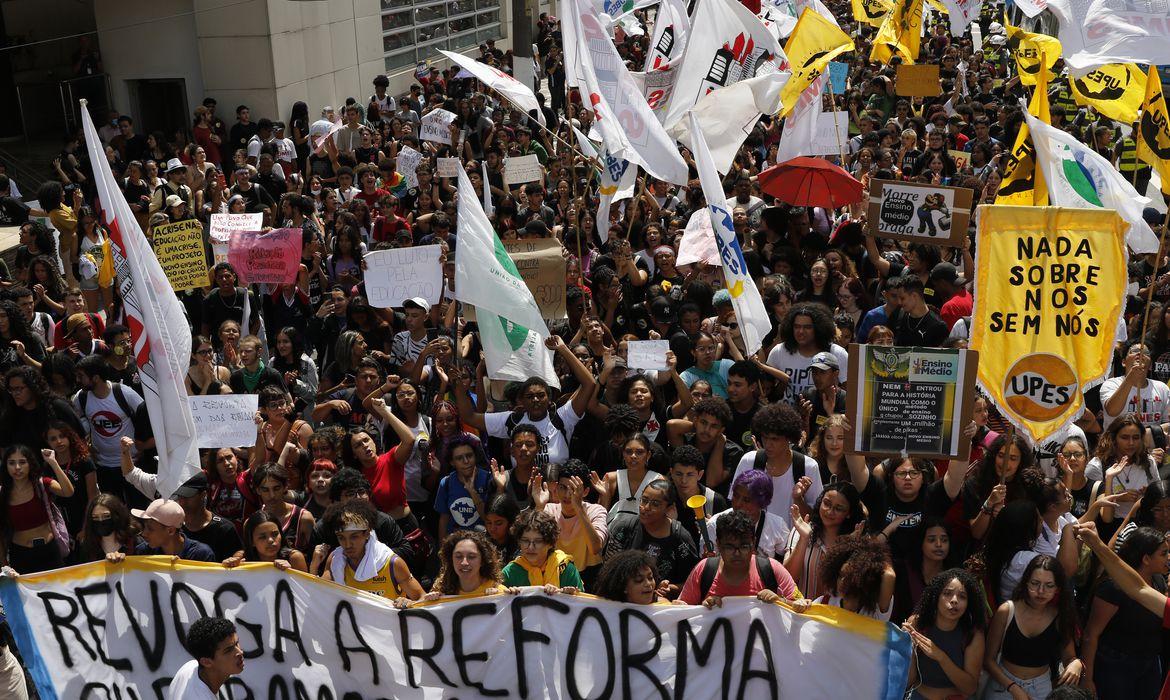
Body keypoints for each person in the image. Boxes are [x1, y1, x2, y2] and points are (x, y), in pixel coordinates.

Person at [1082, 526, 1169, 698]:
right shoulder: (1113, 588)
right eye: (1164, 553)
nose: (1168, 558)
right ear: (1145, 558)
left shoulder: (1159, 582)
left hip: (1149, 664)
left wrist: (1098, 544)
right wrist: (1087, 678)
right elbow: (1090, 635)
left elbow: (1138, 589)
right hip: (1115, 667)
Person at [983, 555, 1083, 700]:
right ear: (1026, 583)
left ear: (1057, 589)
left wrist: (1077, 663)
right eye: (1035, 583)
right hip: (1002, 684)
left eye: (1049, 585)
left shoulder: (1060, 617)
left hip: (1040, 688)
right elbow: (988, 660)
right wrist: (1013, 688)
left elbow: (1069, 656)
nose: (1041, 591)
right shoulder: (1006, 611)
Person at [677, 509, 801, 607]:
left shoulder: (772, 569)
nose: (737, 553)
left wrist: (780, 601)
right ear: (718, 545)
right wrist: (703, 608)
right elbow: (682, 612)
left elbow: (801, 608)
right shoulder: (704, 570)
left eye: (744, 546)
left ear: (753, 543)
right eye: (730, 547)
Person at [601, 477, 699, 599]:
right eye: (644, 500)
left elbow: (693, 581)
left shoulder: (681, 539)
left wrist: (670, 588)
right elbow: (609, 573)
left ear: (669, 509)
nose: (646, 507)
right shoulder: (623, 529)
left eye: (655, 504)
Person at [320, 499, 423, 607]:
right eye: (341, 538)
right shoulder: (334, 560)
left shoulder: (393, 563)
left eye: (354, 537)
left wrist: (409, 602)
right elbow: (319, 597)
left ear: (367, 533)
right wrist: (314, 565)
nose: (347, 544)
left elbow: (422, 598)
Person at [901, 568, 985, 700]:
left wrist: (940, 656)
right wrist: (907, 646)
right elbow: (909, 681)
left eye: (962, 596)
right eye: (947, 593)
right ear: (936, 597)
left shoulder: (973, 634)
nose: (954, 600)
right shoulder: (917, 623)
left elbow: (970, 688)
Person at [0, 444, 74, 573]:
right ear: (6, 466)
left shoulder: (42, 484)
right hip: (20, 555)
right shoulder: (2, 493)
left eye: (22, 462)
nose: (17, 468)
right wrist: (4, 563)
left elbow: (68, 492)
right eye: (11, 463)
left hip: (49, 551)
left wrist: (53, 463)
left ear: (30, 464)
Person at [108, 498, 216, 562]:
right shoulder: (142, 552)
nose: (143, 533)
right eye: (144, 527)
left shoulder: (201, 555)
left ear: (170, 531)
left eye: (150, 529)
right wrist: (119, 563)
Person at [501, 509, 583, 593]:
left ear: (550, 543)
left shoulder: (566, 570)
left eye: (538, 541)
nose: (531, 547)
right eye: (525, 541)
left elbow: (582, 603)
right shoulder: (509, 573)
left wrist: (568, 596)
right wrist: (505, 594)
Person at [422, 530, 513, 600]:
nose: (464, 562)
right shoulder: (441, 592)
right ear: (451, 560)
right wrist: (431, 602)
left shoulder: (498, 591)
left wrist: (508, 597)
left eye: (471, 557)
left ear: (482, 561)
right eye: (458, 556)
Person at [168, 617, 245, 700]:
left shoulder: (190, 666)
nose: (240, 652)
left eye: (237, 643)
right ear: (206, 662)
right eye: (228, 650)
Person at [595, 550, 670, 604]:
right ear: (623, 586)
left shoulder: (663, 606)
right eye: (639, 580)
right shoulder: (605, 609)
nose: (648, 584)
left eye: (650, 578)